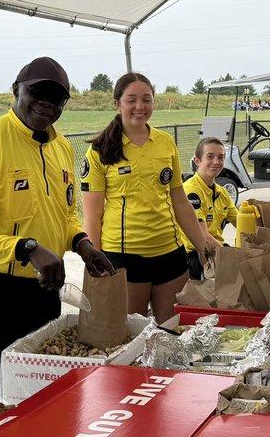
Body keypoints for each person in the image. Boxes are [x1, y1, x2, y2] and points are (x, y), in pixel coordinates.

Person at [0, 57, 115, 402]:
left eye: (57, 98)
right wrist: (26, 249)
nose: (47, 104)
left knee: (35, 386)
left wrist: (83, 244)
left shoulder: (60, 147)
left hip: (43, 286)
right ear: (16, 90)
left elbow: (64, 214)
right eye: (37, 93)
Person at [81, 73, 214, 320]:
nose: (140, 106)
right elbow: (92, 216)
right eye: (131, 100)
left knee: (172, 330)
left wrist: (201, 245)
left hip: (170, 254)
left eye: (147, 99)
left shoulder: (165, 142)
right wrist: (94, 263)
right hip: (124, 258)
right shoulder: (99, 150)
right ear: (117, 103)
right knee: (130, 335)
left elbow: (180, 201)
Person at [180, 137, 239, 278]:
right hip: (196, 254)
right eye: (210, 156)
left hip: (217, 249)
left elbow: (241, 223)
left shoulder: (221, 192)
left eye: (221, 157)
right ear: (197, 161)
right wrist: (229, 257)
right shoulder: (191, 191)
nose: (216, 162)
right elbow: (202, 236)